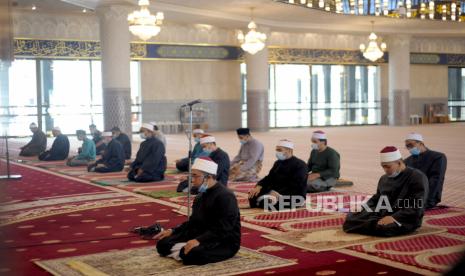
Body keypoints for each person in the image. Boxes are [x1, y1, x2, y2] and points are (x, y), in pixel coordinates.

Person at [155, 157, 241, 265]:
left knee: (192, 254)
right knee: (162, 244)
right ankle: (181, 250)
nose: (192, 180)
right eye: (191, 176)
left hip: (223, 240)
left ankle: (181, 250)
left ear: (208, 177)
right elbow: (193, 221)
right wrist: (173, 231)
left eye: (195, 176)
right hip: (201, 233)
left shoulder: (225, 196)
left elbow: (224, 228)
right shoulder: (201, 195)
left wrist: (199, 240)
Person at [343, 146, 428, 237]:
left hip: (404, 218)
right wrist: (363, 208)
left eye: (388, 167)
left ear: (399, 163)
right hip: (383, 213)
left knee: (385, 228)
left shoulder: (416, 177)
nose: (385, 170)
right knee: (350, 218)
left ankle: (373, 224)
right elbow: (377, 198)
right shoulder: (384, 178)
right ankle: (373, 223)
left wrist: (394, 217)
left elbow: (416, 206)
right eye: (383, 167)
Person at [248, 140, 308, 210]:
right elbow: (269, 177)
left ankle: (264, 200)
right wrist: (259, 186)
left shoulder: (300, 165)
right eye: (277, 150)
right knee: (253, 196)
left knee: (269, 203)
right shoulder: (278, 163)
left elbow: (296, 185)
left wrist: (278, 193)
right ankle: (264, 199)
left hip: (293, 195)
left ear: (288, 150)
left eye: (279, 150)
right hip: (275, 191)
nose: (277, 152)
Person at [404, 133, 447, 209]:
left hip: (428, 198)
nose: (409, 148)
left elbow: (436, 180)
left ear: (421, 143)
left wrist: (426, 200)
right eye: (407, 146)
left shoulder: (438, 157)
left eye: (411, 145)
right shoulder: (407, 161)